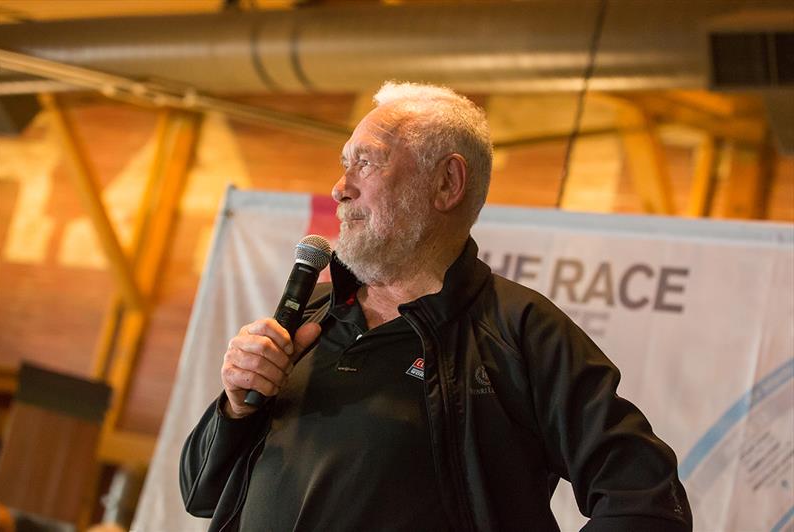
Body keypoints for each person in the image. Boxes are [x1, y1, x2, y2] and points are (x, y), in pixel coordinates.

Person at [180, 82, 692, 531]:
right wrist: (236, 406)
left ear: (447, 183)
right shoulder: (314, 315)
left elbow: (646, 503)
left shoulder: (520, 331)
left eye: (367, 161)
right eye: (344, 163)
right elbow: (200, 494)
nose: (340, 186)